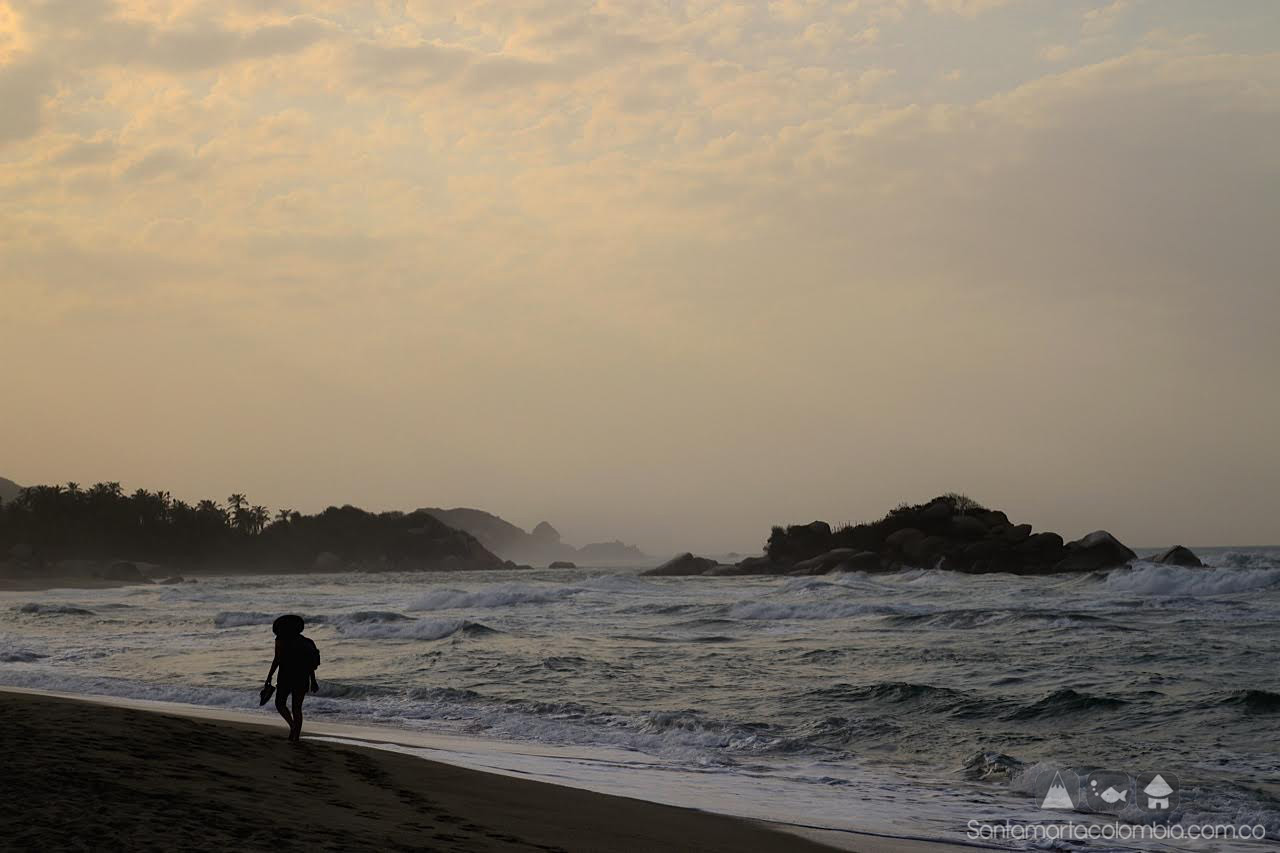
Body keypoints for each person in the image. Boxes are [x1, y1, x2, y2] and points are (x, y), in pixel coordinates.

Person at [264, 614, 320, 742]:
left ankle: (293, 726)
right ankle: (295, 736)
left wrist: (269, 677)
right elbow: (310, 665)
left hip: (286, 677)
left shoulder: (281, 640)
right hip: (303, 678)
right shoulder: (307, 642)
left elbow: (277, 659)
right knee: (297, 707)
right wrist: (313, 681)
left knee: (279, 703)